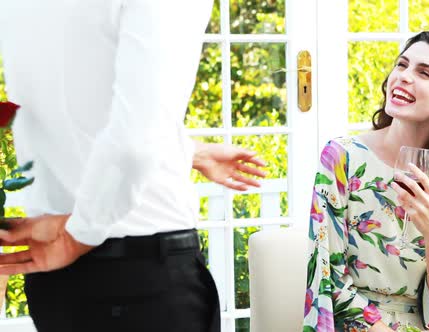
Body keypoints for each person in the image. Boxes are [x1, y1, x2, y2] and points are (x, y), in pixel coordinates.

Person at [0, 1, 265, 331]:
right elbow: (135, 143)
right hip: (138, 281)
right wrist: (77, 235)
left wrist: (187, 152)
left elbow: (76, 113)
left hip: (56, 285)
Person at [303, 31, 429, 331]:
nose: (404, 76)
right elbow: (328, 278)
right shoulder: (342, 159)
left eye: (424, 73)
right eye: (401, 65)